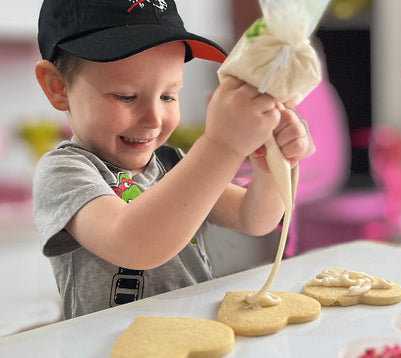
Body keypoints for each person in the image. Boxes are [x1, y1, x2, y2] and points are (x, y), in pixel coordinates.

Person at [33, 0, 314, 319]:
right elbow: (133, 243)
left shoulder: (172, 164)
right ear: (58, 88)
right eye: (126, 96)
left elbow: (254, 217)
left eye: (169, 96)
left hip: (195, 334)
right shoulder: (65, 172)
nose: (153, 119)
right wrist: (221, 146)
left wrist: (271, 164)